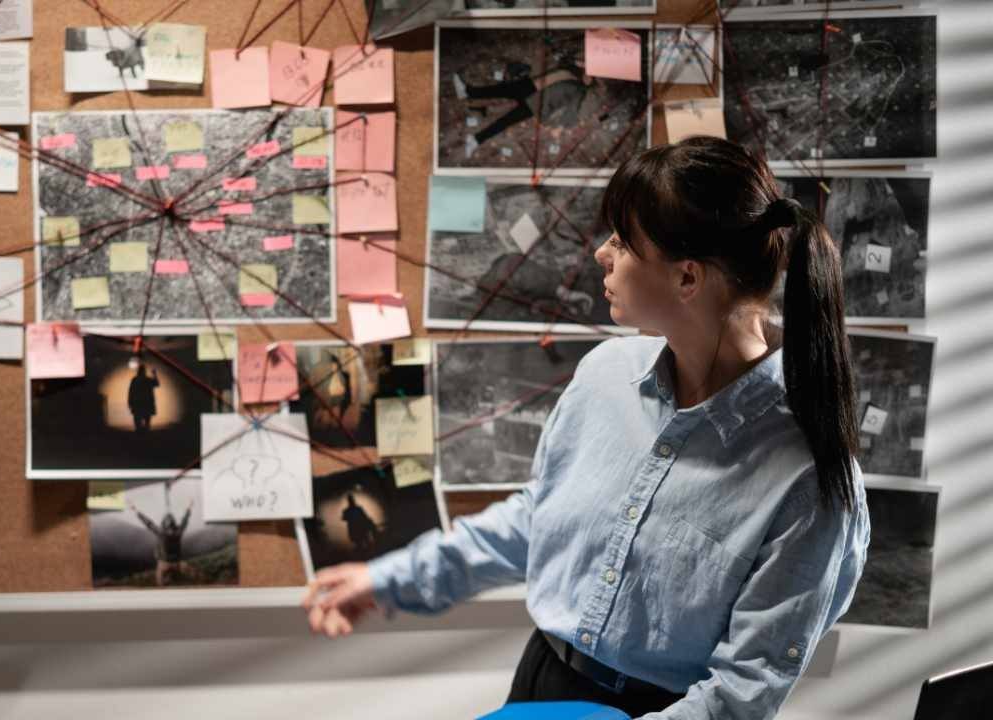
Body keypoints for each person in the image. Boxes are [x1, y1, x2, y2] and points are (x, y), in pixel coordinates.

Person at [301, 136, 871, 719]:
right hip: (542, 682)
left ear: (687, 279)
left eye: (622, 241)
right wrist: (389, 580)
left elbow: (744, 689)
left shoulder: (808, 477)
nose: (602, 253)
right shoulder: (606, 374)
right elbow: (541, 518)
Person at [453, 52, 593, 159]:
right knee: (498, 90)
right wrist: (580, 63)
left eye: (591, 78)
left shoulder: (579, 91)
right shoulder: (572, 68)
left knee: (505, 121)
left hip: (538, 103)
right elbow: (563, 58)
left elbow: (572, 109)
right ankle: (467, 92)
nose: (588, 77)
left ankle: (476, 140)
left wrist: (560, 127)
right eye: (590, 73)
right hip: (531, 86)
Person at [127, 362, 160, 432]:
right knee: (144, 421)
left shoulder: (135, 380)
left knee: (140, 422)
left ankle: (141, 433)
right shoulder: (144, 380)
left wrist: (130, 402)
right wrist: (154, 374)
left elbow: (130, 392)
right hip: (144, 403)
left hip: (139, 403)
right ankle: (143, 433)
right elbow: (157, 384)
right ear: (144, 371)